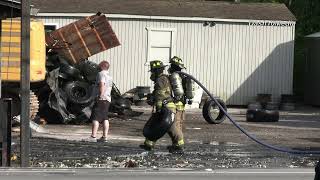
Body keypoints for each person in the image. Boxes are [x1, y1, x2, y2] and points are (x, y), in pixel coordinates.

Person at [140, 60, 184, 154]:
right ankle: (148, 144)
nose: (151, 73)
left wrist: (159, 107)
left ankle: (179, 146)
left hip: (166, 107)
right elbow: (158, 93)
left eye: (152, 71)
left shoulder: (161, 79)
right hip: (164, 106)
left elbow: (160, 94)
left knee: (171, 128)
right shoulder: (164, 78)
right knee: (156, 125)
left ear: (156, 71)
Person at [88, 60, 112, 142]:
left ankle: (93, 137)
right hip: (107, 99)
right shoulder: (109, 76)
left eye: (99, 65)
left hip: (101, 98)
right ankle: (104, 137)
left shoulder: (101, 74)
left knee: (95, 118)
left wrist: (100, 95)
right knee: (105, 118)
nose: (98, 66)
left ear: (102, 66)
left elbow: (102, 84)